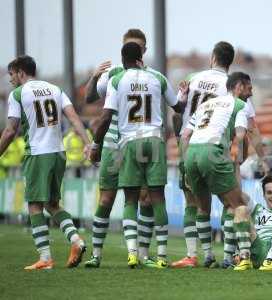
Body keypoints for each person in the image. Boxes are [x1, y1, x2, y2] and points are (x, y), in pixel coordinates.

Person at [89, 42, 186, 269]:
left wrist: (95, 144)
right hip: (154, 139)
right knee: (157, 198)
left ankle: (132, 253)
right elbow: (178, 107)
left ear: (123, 60)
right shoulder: (157, 78)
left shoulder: (117, 80)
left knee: (130, 199)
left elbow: (105, 117)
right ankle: (162, 256)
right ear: (141, 58)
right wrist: (183, 93)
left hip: (129, 142)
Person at [171, 42, 266, 268]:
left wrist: (183, 156)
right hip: (217, 149)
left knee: (194, 205)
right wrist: (252, 157)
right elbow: (248, 129)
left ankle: (197, 255)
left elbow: (177, 117)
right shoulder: (234, 92)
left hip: (191, 149)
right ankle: (235, 255)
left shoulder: (193, 78)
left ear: (213, 57)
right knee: (233, 202)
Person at [0, 55, 90, 270]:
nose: (10, 79)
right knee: (52, 204)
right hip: (58, 153)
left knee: (34, 204)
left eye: (11, 74)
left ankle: (45, 258)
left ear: (21, 72)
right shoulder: (55, 89)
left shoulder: (18, 94)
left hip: (38, 153)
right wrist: (88, 143)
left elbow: (11, 130)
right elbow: (74, 118)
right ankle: (76, 241)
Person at [84, 29, 157, 268]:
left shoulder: (152, 76)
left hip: (138, 145)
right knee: (106, 198)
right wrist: (94, 77)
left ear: (144, 50)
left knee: (144, 199)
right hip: (114, 145)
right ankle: (96, 254)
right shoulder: (113, 73)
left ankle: (142, 254)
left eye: (139, 46)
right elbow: (89, 99)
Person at [181, 72, 253, 271]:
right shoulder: (239, 105)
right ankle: (239, 256)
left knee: (203, 207)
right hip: (213, 151)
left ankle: (208, 255)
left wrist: (185, 163)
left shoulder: (205, 105)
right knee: (237, 204)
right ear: (238, 87)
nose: (251, 93)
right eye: (249, 88)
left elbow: (185, 135)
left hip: (192, 153)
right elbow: (240, 135)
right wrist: (237, 160)